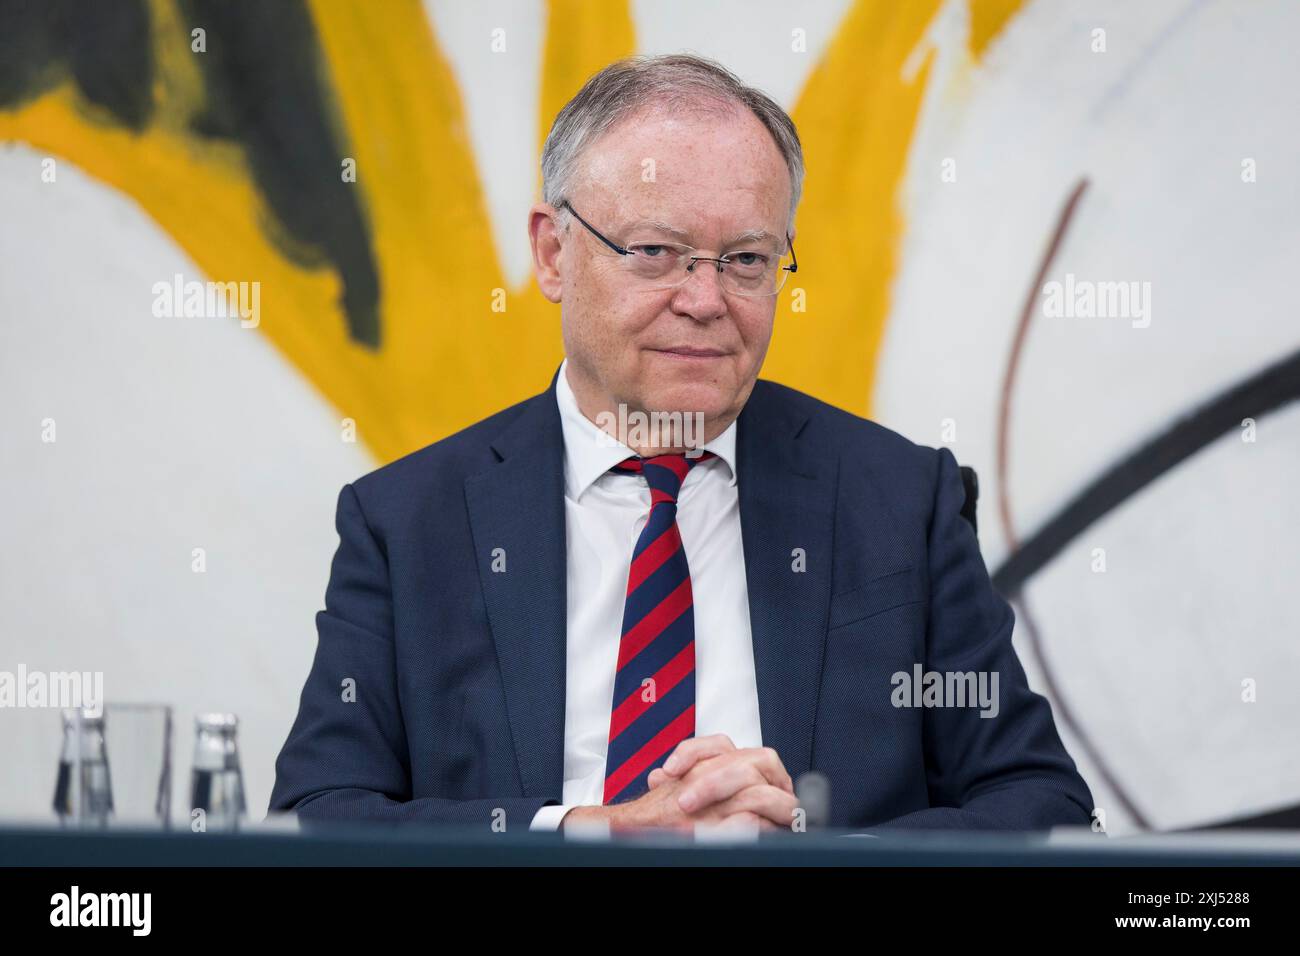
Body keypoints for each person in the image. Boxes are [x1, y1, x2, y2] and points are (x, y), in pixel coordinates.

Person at [270, 53, 1094, 833]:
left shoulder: (902, 502)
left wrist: (802, 843)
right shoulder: (408, 521)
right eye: (656, 253)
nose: (705, 300)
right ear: (553, 254)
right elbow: (318, 813)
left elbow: (1040, 803)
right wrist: (589, 832)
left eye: (744, 260)